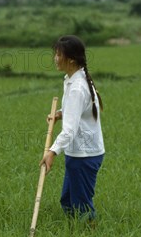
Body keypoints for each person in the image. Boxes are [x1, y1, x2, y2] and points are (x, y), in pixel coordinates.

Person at [40, 35, 105, 224]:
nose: (55, 58)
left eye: (58, 54)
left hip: (84, 155)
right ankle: (75, 234)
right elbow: (78, 110)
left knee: (81, 205)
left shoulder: (77, 87)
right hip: (77, 153)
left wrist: (52, 152)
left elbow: (70, 130)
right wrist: (61, 113)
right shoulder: (73, 79)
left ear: (71, 59)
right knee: (68, 201)